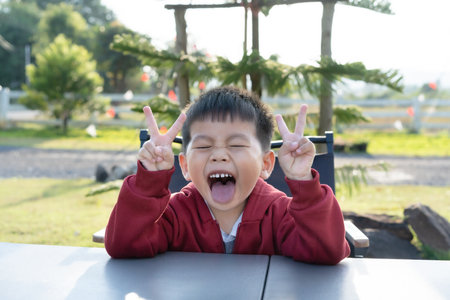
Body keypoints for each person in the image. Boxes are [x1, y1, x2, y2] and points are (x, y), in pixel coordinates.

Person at [105, 86, 350, 264]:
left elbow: (327, 252)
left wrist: (303, 183)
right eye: (203, 146)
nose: (219, 155)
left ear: (266, 163)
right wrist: (149, 182)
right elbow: (124, 246)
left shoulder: (280, 214)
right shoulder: (173, 215)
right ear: (185, 166)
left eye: (236, 145)